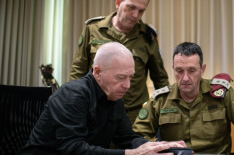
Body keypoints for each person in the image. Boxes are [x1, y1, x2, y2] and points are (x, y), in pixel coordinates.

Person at [19, 42, 185, 154]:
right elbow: (73, 149)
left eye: (131, 77)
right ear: (97, 72)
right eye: (121, 77)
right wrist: (131, 153)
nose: (127, 85)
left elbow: (127, 138)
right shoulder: (73, 95)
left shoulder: (114, 95)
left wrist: (159, 146)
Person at [133, 42, 234, 155]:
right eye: (179, 71)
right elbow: (137, 138)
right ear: (173, 69)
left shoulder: (223, 94)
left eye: (192, 71)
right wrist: (157, 150)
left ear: (202, 70)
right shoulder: (160, 100)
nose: (185, 78)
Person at [70, 0, 169, 124]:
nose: (135, 15)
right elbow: (78, 71)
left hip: (133, 117)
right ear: (118, 2)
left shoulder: (148, 37)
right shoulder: (93, 30)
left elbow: (160, 79)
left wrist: (165, 113)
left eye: (141, 11)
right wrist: (74, 105)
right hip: (96, 112)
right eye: (131, 7)